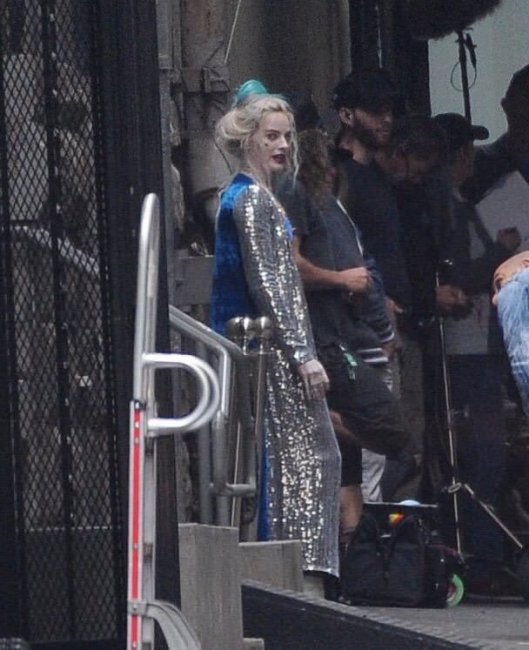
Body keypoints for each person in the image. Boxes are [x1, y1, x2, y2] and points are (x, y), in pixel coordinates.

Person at [210, 93, 341, 594]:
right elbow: (269, 283)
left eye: (286, 135)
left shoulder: (257, 197)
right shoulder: (251, 200)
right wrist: (303, 356)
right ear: (249, 140)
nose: (283, 144)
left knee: (303, 458)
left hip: (268, 347)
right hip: (268, 352)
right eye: (271, 136)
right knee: (308, 459)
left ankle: (303, 576)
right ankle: (301, 577)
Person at [275, 126, 409, 546]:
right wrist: (343, 280)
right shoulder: (299, 194)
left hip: (339, 336)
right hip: (326, 341)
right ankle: (320, 419)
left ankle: (353, 560)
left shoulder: (326, 205)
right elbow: (291, 266)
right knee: (393, 432)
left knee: (348, 472)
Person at [433, 112, 520, 595]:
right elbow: (455, 273)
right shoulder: (445, 207)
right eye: (463, 151)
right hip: (466, 348)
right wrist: (500, 255)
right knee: (481, 454)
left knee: (487, 453)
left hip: (479, 343)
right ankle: (479, 554)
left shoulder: (460, 203)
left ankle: (484, 550)